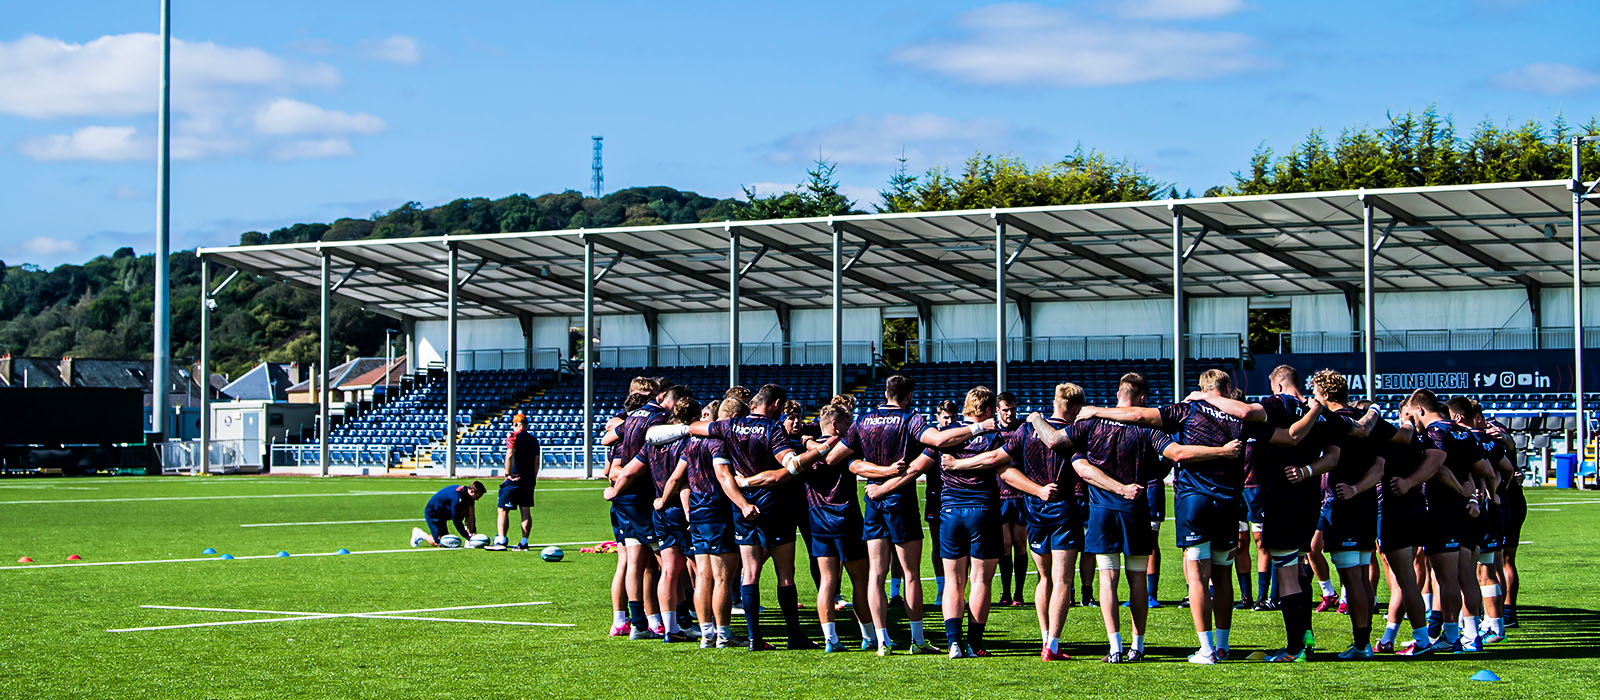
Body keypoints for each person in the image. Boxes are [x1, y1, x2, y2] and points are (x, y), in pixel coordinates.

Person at [1079, 369, 1317, 664]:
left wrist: (1095, 411)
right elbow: (1290, 437)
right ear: (1228, 389)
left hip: (1194, 503)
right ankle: (1223, 646)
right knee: (1222, 574)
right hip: (1229, 504)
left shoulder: (1186, 409)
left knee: (1197, 578)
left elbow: (1140, 417)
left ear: (1202, 388)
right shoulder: (1240, 419)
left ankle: (1206, 650)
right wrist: (1315, 408)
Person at [1049, 373, 1241, 663]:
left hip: (1102, 512)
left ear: (1117, 395)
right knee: (1138, 580)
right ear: (1142, 398)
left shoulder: (1089, 422)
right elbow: (1172, 456)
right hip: (1136, 508)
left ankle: (1114, 648)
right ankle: (1138, 646)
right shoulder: (1148, 431)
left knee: (1108, 579)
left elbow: (1055, 442)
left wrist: (1035, 419)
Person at [655, 384, 838, 651]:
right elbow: (792, 465)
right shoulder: (772, 429)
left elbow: (695, 429)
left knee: (749, 574)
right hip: (774, 506)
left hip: (742, 509)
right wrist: (821, 449)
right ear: (775, 405)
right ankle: (794, 635)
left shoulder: (731, 426)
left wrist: (681, 429)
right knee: (785, 575)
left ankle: (754, 638)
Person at [824, 375, 981, 654]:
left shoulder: (863, 421)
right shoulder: (911, 418)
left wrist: (863, 467)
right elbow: (940, 439)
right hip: (900, 499)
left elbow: (834, 458)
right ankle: (917, 641)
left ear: (886, 393)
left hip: (872, 499)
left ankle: (882, 641)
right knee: (910, 574)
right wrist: (979, 427)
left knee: (876, 574)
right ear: (908, 395)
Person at [994, 391, 1031, 608]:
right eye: (1005, 409)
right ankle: (1005, 592)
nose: (1009, 413)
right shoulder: (993, 430)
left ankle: (1019, 593)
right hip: (999, 495)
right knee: (1004, 545)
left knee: (1020, 544)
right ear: (998, 410)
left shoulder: (1024, 429)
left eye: (1012, 409)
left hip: (1020, 494)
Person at [494, 413, 541, 551]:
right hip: (528, 479)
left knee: (503, 509)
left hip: (514, 478)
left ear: (515, 424)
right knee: (525, 511)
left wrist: (507, 474)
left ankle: (502, 540)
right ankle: (524, 542)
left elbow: (509, 455)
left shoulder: (513, 437)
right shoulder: (534, 440)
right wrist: (533, 477)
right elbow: (536, 462)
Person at [412, 481, 485, 547]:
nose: (478, 499)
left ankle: (469, 541)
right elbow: (456, 520)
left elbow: (471, 516)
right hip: (434, 513)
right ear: (472, 491)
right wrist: (466, 536)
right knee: (440, 543)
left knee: (470, 508)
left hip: (444, 512)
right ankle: (419, 533)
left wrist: (473, 533)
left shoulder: (469, 496)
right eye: (477, 497)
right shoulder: (457, 498)